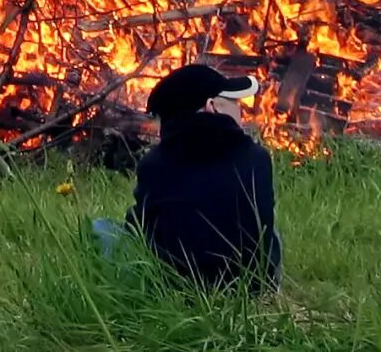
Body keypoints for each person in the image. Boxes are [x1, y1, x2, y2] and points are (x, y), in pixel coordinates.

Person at [121, 63, 282, 293]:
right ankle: (267, 292)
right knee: (272, 229)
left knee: (103, 228)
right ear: (212, 106)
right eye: (235, 104)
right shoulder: (256, 157)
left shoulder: (153, 163)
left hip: (174, 290)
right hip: (248, 290)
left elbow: (138, 224)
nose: (241, 113)